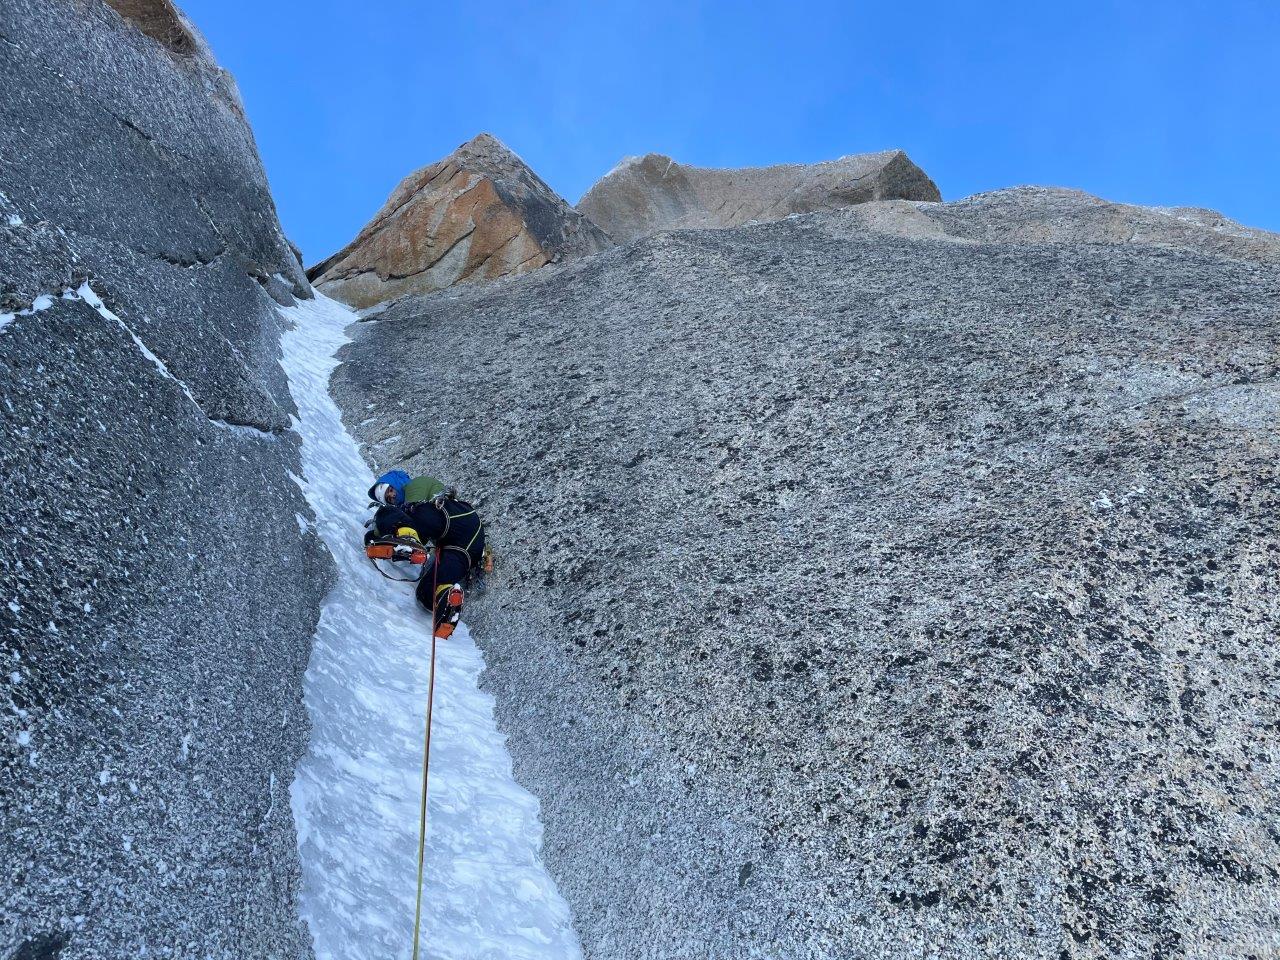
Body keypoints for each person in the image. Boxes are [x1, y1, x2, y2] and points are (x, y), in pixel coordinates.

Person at [365, 470, 487, 639]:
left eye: (389, 489)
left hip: (452, 516)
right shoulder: (410, 506)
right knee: (429, 588)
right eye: (387, 498)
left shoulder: (417, 484)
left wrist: (375, 533)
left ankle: (407, 540)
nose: (391, 496)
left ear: (397, 482)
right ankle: (447, 605)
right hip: (466, 547)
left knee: (389, 513)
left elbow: (417, 515)